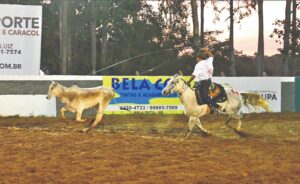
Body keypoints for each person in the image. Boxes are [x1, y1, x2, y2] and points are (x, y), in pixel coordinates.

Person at [187, 48, 223, 114]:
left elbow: (194, 75)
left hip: (204, 82)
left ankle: (217, 107)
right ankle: (209, 108)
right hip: (208, 81)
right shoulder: (208, 61)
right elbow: (212, 56)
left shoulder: (198, 65)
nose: (196, 59)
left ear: (198, 58)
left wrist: (188, 82)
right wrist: (207, 50)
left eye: (196, 57)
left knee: (204, 97)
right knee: (200, 95)